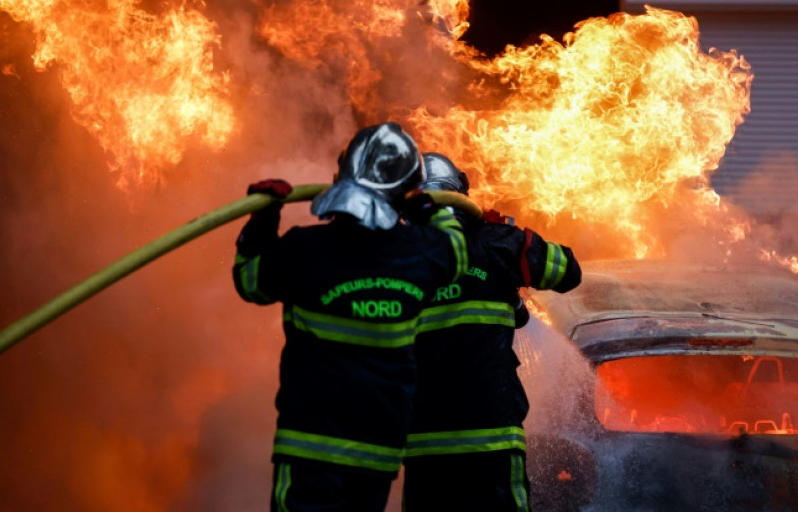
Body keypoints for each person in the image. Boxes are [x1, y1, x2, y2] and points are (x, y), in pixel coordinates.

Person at [232, 123, 468, 512]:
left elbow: (249, 280)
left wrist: (263, 220)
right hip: (378, 452)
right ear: (406, 192)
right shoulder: (423, 254)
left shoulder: (303, 251)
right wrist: (429, 210)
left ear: (340, 178)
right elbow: (458, 252)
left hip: (310, 450)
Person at [401, 152, 582, 512]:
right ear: (460, 194)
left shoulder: (396, 261)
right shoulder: (498, 244)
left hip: (423, 444)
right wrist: (505, 236)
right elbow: (568, 272)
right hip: (491, 438)